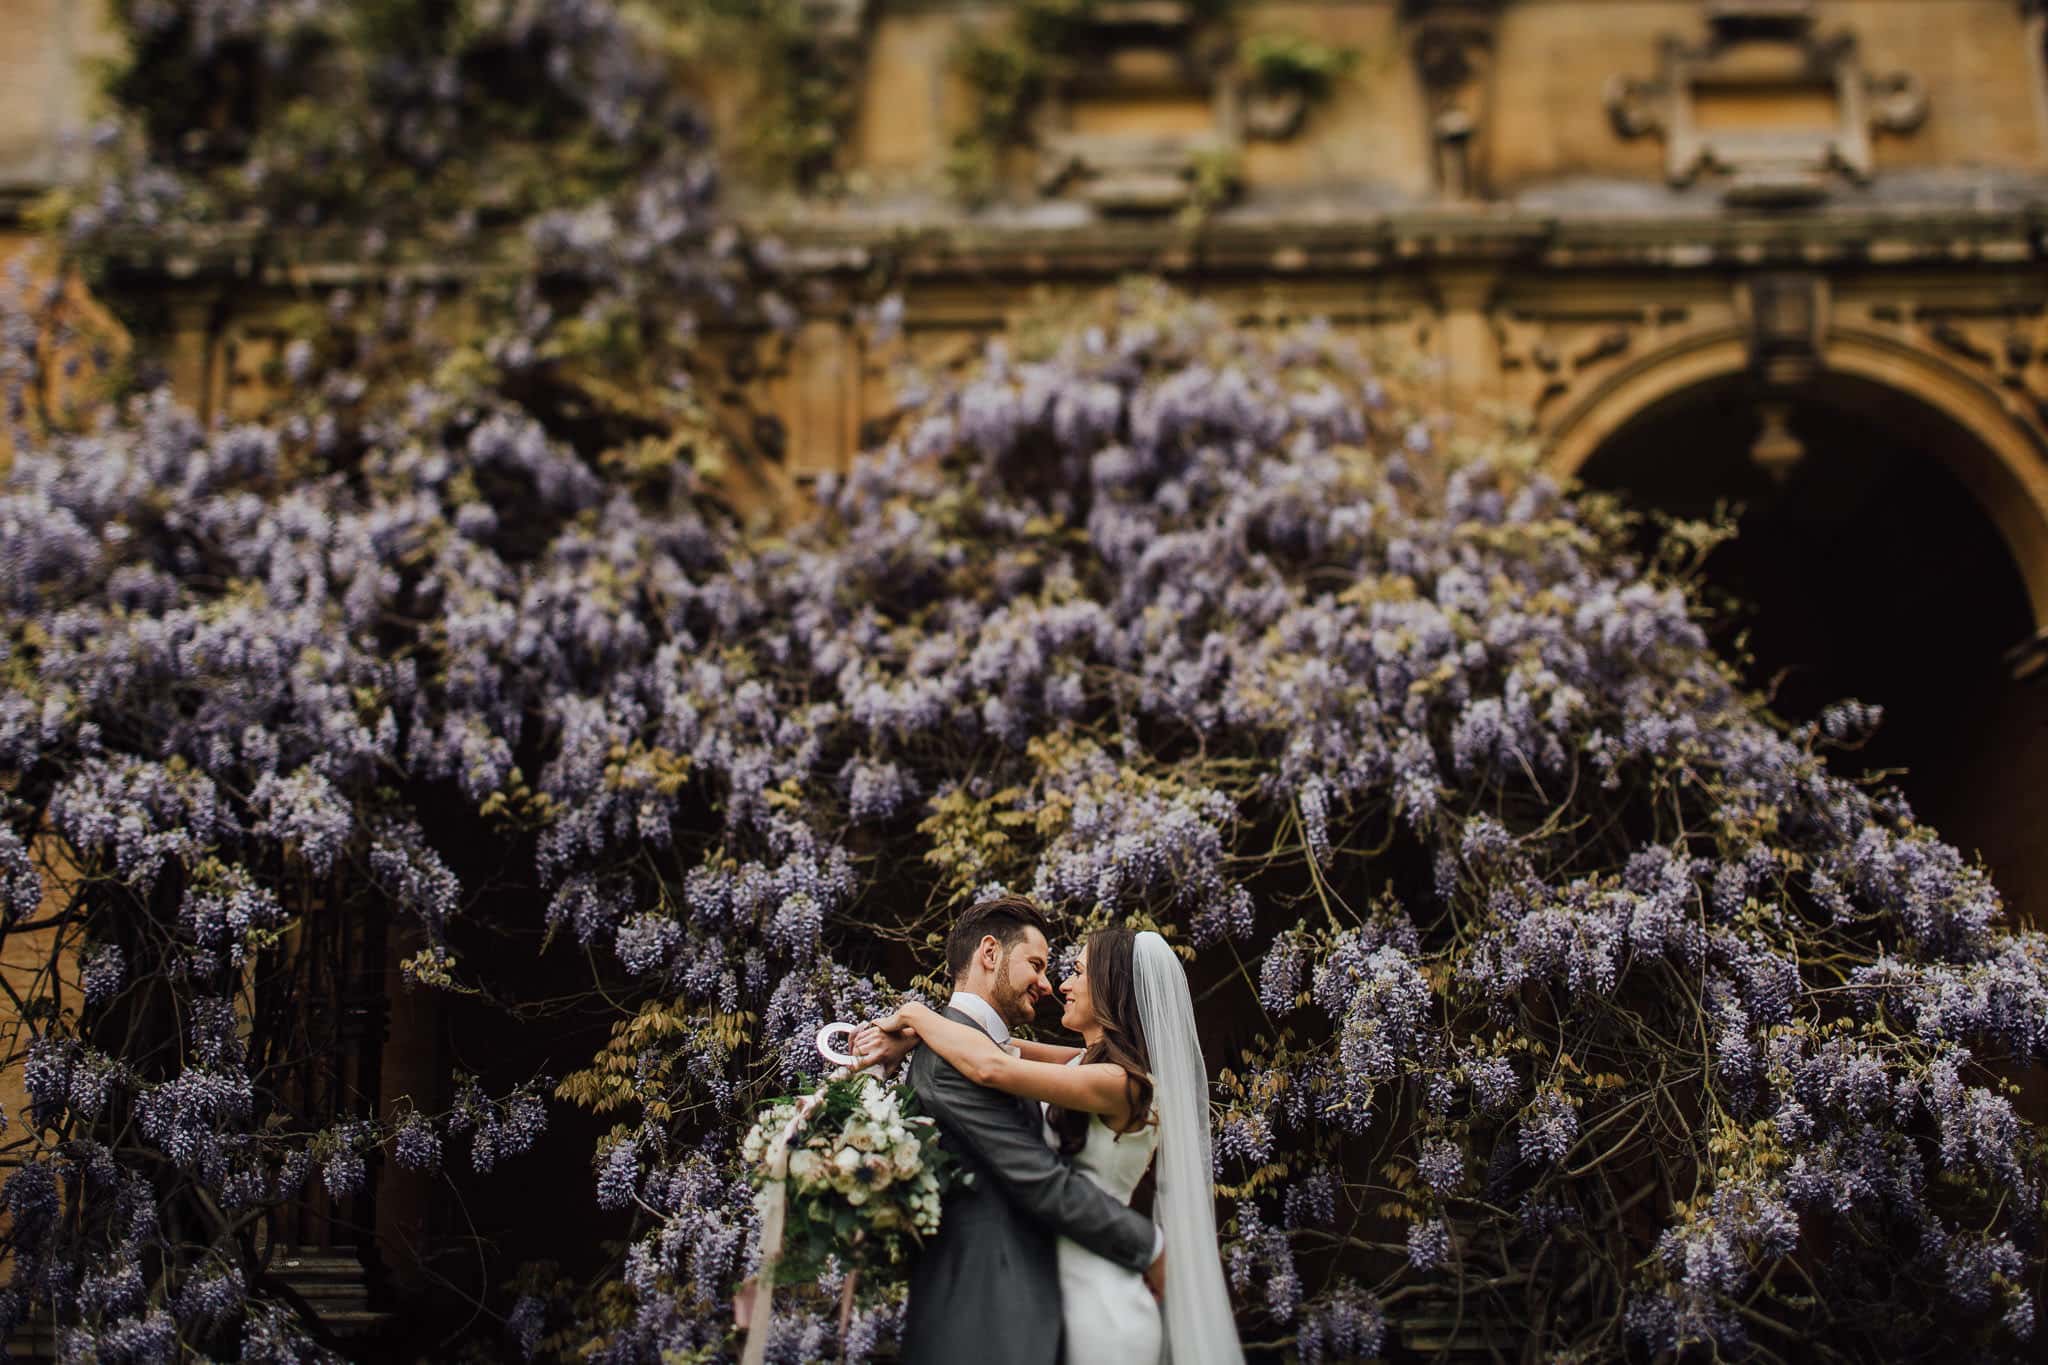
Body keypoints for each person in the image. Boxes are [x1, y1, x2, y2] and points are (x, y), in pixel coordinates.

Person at [856, 910, 1243, 1365]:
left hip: (1098, 1292)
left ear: (1110, 987)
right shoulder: (1083, 1065)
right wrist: (914, 1040)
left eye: (1077, 971)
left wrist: (915, 1014)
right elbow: (1003, 1048)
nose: (1059, 985)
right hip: (1062, 1284)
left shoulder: (1122, 1082)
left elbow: (992, 1066)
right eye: (1041, 966)